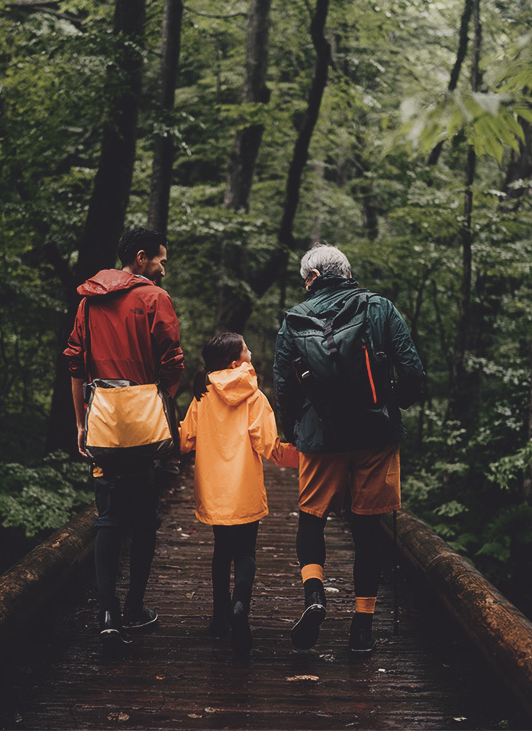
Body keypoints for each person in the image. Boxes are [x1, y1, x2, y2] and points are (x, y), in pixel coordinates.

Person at [273, 243, 424, 654]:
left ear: (315, 277)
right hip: (376, 434)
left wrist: (294, 432)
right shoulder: (379, 308)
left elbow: (284, 387)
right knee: (368, 528)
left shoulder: (293, 320)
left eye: (306, 278)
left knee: (311, 518)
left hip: (321, 438)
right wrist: (393, 405)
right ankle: (362, 627)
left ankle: (315, 596)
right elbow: (412, 372)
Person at [64, 227, 184, 651]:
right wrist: (159, 400)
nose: (163, 268)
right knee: (144, 517)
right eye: (160, 260)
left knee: (109, 517)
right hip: (145, 428)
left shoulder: (89, 300)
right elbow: (172, 360)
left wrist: (81, 423)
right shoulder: (154, 298)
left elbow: (76, 365)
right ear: (140, 258)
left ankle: (107, 613)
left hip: (103, 425)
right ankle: (134, 607)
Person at [179, 333, 298, 656]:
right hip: (244, 488)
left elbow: (185, 439)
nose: (250, 352)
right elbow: (269, 446)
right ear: (236, 362)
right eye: (246, 349)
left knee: (222, 551)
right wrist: (305, 455)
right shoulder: (254, 397)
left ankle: (220, 618)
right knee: (245, 553)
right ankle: (240, 607)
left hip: (215, 491)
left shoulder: (202, 396)